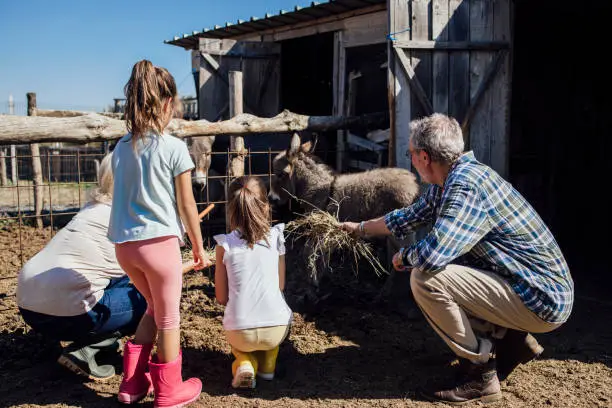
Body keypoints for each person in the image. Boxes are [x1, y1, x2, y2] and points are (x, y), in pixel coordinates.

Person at [340, 113, 574, 404]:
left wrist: (405, 256)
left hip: (541, 298)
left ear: (424, 157)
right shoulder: (452, 177)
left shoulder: (465, 187)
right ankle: (512, 341)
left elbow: (432, 254)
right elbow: (409, 217)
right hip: (528, 285)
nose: (410, 159)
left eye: (410, 153)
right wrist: (359, 229)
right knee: (453, 266)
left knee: (426, 279)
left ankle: (479, 376)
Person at [108, 60, 212, 407]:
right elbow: (186, 206)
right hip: (159, 246)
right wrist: (198, 247)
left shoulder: (122, 147)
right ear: (167, 104)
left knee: (152, 308)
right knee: (169, 319)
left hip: (125, 248)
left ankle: (133, 384)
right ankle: (169, 391)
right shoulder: (173, 147)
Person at [17, 153, 147, 381]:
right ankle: (86, 350)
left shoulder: (91, 209)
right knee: (149, 298)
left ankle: (70, 342)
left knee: (122, 281)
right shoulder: (126, 219)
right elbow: (147, 270)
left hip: (28, 307)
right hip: (67, 312)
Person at [213, 176, 292, 389]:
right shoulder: (276, 237)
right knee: (279, 311)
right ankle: (268, 366)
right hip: (276, 329)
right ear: (266, 207)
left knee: (239, 336)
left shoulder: (224, 245)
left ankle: (245, 362)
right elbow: (280, 286)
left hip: (240, 331)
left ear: (230, 210)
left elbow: (221, 297)